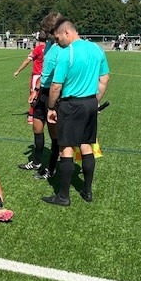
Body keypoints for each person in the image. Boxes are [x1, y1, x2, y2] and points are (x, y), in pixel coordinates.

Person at [42, 19, 110, 206]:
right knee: (86, 145)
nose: (57, 43)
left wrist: (51, 107)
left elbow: (56, 86)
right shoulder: (97, 49)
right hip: (90, 103)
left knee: (66, 147)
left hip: (71, 105)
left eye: (58, 38)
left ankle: (63, 196)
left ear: (66, 33)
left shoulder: (66, 53)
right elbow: (104, 78)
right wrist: (95, 101)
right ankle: (87, 191)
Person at [18, 13, 65, 179]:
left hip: (54, 93)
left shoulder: (64, 48)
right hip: (42, 92)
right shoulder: (49, 45)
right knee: (37, 127)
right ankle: (36, 162)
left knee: (54, 134)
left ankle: (51, 169)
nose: (45, 34)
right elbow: (45, 72)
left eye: (47, 30)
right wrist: (35, 90)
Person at [13, 30, 47, 124]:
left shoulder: (37, 49)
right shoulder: (49, 48)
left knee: (33, 94)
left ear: (38, 38)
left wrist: (18, 70)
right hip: (46, 75)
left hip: (37, 75)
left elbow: (27, 61)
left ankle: (31, 115)